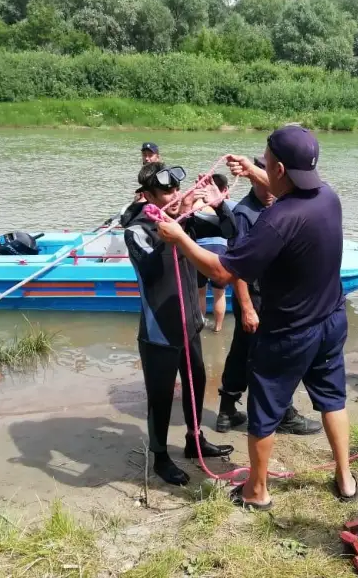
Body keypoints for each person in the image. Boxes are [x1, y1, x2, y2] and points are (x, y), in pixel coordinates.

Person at [155, 126, 357, 510]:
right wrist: (252, 171)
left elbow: (222, 273)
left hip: (288, 332)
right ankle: (345, 479)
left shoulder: (276, 219)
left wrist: (180, 238)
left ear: (280, 168)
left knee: (264, 412)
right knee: (333, 399)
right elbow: (290, 189)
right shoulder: (328, 197)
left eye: (265, 160)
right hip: (332, 320)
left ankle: (257, 491)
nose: (261, 165)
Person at [121, 162, 236, 486]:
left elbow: (230, 231)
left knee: (196, 382)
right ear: (147, 196)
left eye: (176, 189)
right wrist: (175, 228)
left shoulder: (185, 221)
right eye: (166, 192)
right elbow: (151, 270)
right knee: (159, 397)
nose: (174, 195)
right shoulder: (137, 230)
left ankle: (194, 440)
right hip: (159, 331)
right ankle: (160, 457)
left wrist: (218, 204)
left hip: (190, 323)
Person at [215, 155, 323, 437]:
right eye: (264, 181)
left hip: (274, 295)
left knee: (244, 351)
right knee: (272, 353)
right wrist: (247, 308)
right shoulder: (244, 213)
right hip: (254, 298)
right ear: (253, 179)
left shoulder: (281, 204)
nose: (271, 187)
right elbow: (236, 266)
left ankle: (227, 411)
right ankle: (282, 413)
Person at [193, 173, 233, 333]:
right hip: (221, 251)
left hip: (200, 251)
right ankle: (217, 328)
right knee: (219, 294)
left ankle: (200, 326)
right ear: (225, 189)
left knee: (200, 293)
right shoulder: (229, 205)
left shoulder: (196, 205)